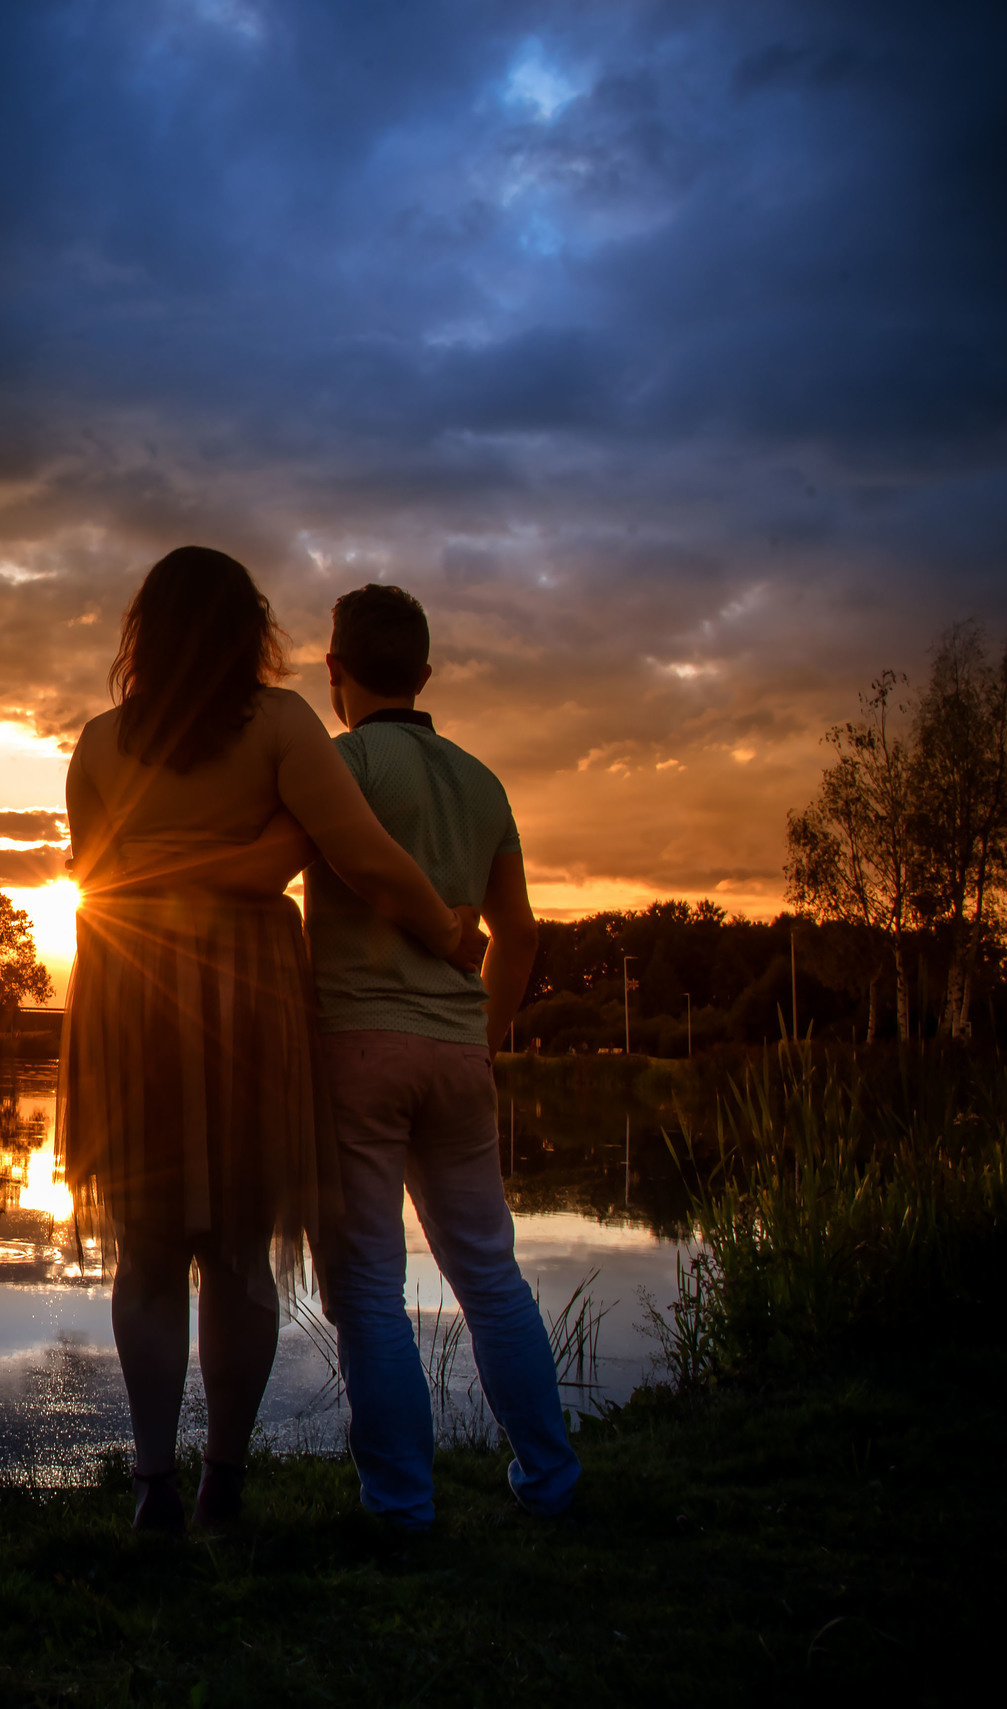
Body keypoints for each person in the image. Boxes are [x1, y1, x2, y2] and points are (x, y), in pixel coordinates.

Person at [60, 547, 485, 1533]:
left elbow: (98, 876)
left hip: (130, 1002)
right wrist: (446, 930)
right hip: (244, 1000)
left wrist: (176, 869)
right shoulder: (284, 725)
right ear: (248, 629)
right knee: (241, 1253)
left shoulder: (97, 742)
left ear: (145, 636)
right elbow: (365, 856)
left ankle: (153, 1484)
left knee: (150, 1253)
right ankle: (224, 1477)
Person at [305, 582, 579, 1529]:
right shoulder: (482, 781)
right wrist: (484, 1038)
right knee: (491, 1276)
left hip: (358, 1052)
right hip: (459, 1053)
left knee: (373, 1291)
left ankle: (401, 1504)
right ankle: (549, 1475)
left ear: (333, 670)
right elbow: (521, 937)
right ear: (425, 673)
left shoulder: (338, 768)